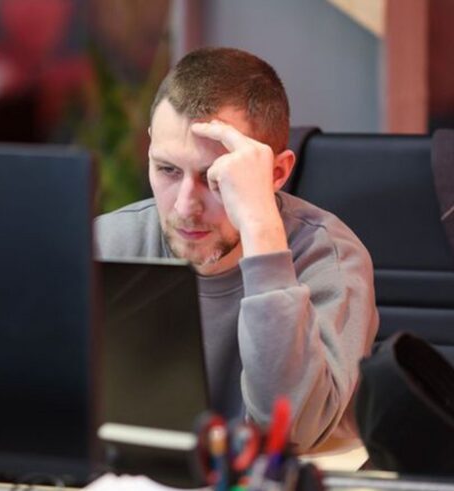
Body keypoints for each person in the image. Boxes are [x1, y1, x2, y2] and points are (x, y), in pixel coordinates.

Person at [94, 47, 379, 453]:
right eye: (167, 170)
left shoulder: (329, 258)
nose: (185, 206)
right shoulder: (105, 245)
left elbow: (291, 434)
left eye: (215, 178)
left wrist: (261, 229)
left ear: (276, 173)